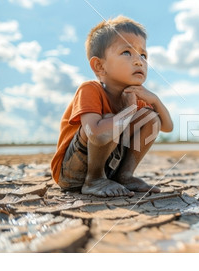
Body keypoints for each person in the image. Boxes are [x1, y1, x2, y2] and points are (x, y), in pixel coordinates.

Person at [50, 16, 173, 197]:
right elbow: (96, 135)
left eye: (143, 55)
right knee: (108, 121)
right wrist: (128, 111)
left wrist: (154, 100)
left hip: (110, 171)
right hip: (71, 173)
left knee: (150, 117)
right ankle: (94, 180)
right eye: (126, 52)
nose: (139, 61)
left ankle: (125, 176)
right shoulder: (90, 89)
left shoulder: (136, 96)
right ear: (99, 66)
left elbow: (166, 127)